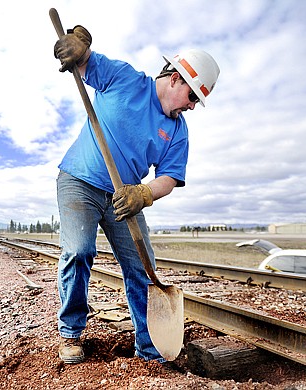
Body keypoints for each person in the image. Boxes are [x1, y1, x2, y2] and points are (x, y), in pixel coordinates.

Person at [53, 25, 220, 364]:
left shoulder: (177, 131)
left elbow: (170, 178)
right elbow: (85, 63)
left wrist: (143, 193)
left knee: (143, 269)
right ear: (175, 79)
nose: (191, 107)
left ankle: (149, 349)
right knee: (80, 250)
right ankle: (70, 334)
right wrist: (79, 50)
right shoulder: (127, 80)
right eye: (192, 97)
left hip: (124, 196)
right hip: (80, 180)